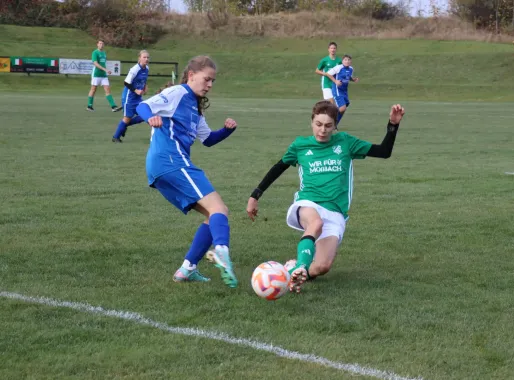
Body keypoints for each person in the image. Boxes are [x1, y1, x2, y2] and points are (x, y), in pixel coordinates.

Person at [246, 101, 406, 293]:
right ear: (311, 122)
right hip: (308, 202)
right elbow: (278, 168)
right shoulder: (300, 145)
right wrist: (255, 195)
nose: (323, 130)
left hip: (336, 211)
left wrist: (393, 125)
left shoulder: (345, 142)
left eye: (328, 125)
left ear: (335, 125)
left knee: (322, 267)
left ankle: (294, 271)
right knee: (316, 224)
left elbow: (384, 152)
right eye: (318, 124)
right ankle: (301, 267)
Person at [135, 55, 239, 287]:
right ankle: (221, 252)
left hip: (167, 165)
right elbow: (143, 106)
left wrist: (227, 130)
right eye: (206, 79)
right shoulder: (178, 93)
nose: (210, 85)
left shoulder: (195, 108)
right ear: (191, 76)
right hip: (170, 161)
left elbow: (208, 140)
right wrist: (150, 117)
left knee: (214, 216)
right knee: (219, 208)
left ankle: (187, 269)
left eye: (213, 81)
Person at [112, 50, 150, 142]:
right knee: (127, 118)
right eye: (144, 57)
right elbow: (126, 82)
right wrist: (136, 90)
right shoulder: (135, 69)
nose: (146, 59)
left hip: (138, 98)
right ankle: (115, 137)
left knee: (145, 115)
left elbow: (143, 80)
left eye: (148, 57)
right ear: (139, 58)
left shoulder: (147, 68)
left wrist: (144, 88)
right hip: (129, 98)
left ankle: (125, 125)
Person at [87, 40, 122, 112]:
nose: (101, 45)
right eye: (100, 43)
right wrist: (105, 69)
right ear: (97, 44)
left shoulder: (104, 53)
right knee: (93, 89)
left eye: (102, 44)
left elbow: (103, 63)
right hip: (96, 74)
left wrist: (105, 71)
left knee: (107, 89)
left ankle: (113, 106)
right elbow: (95, 63)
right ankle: (89, 106)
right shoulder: (95, 52)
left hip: (103, 75)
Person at [325, 54, 358, 126]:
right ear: (342, 61)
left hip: (344, 91)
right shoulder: (338, 67)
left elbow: (348, 77)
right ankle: (330, 118)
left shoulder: (351, 69)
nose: (347, 61)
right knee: (342, 108)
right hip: (337, 90)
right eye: (345, 60)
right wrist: (335, 81)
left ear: (351, 61)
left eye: (349, 60)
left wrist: (353, 79)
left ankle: (334, 124)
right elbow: (328, 74)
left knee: (345, 107)